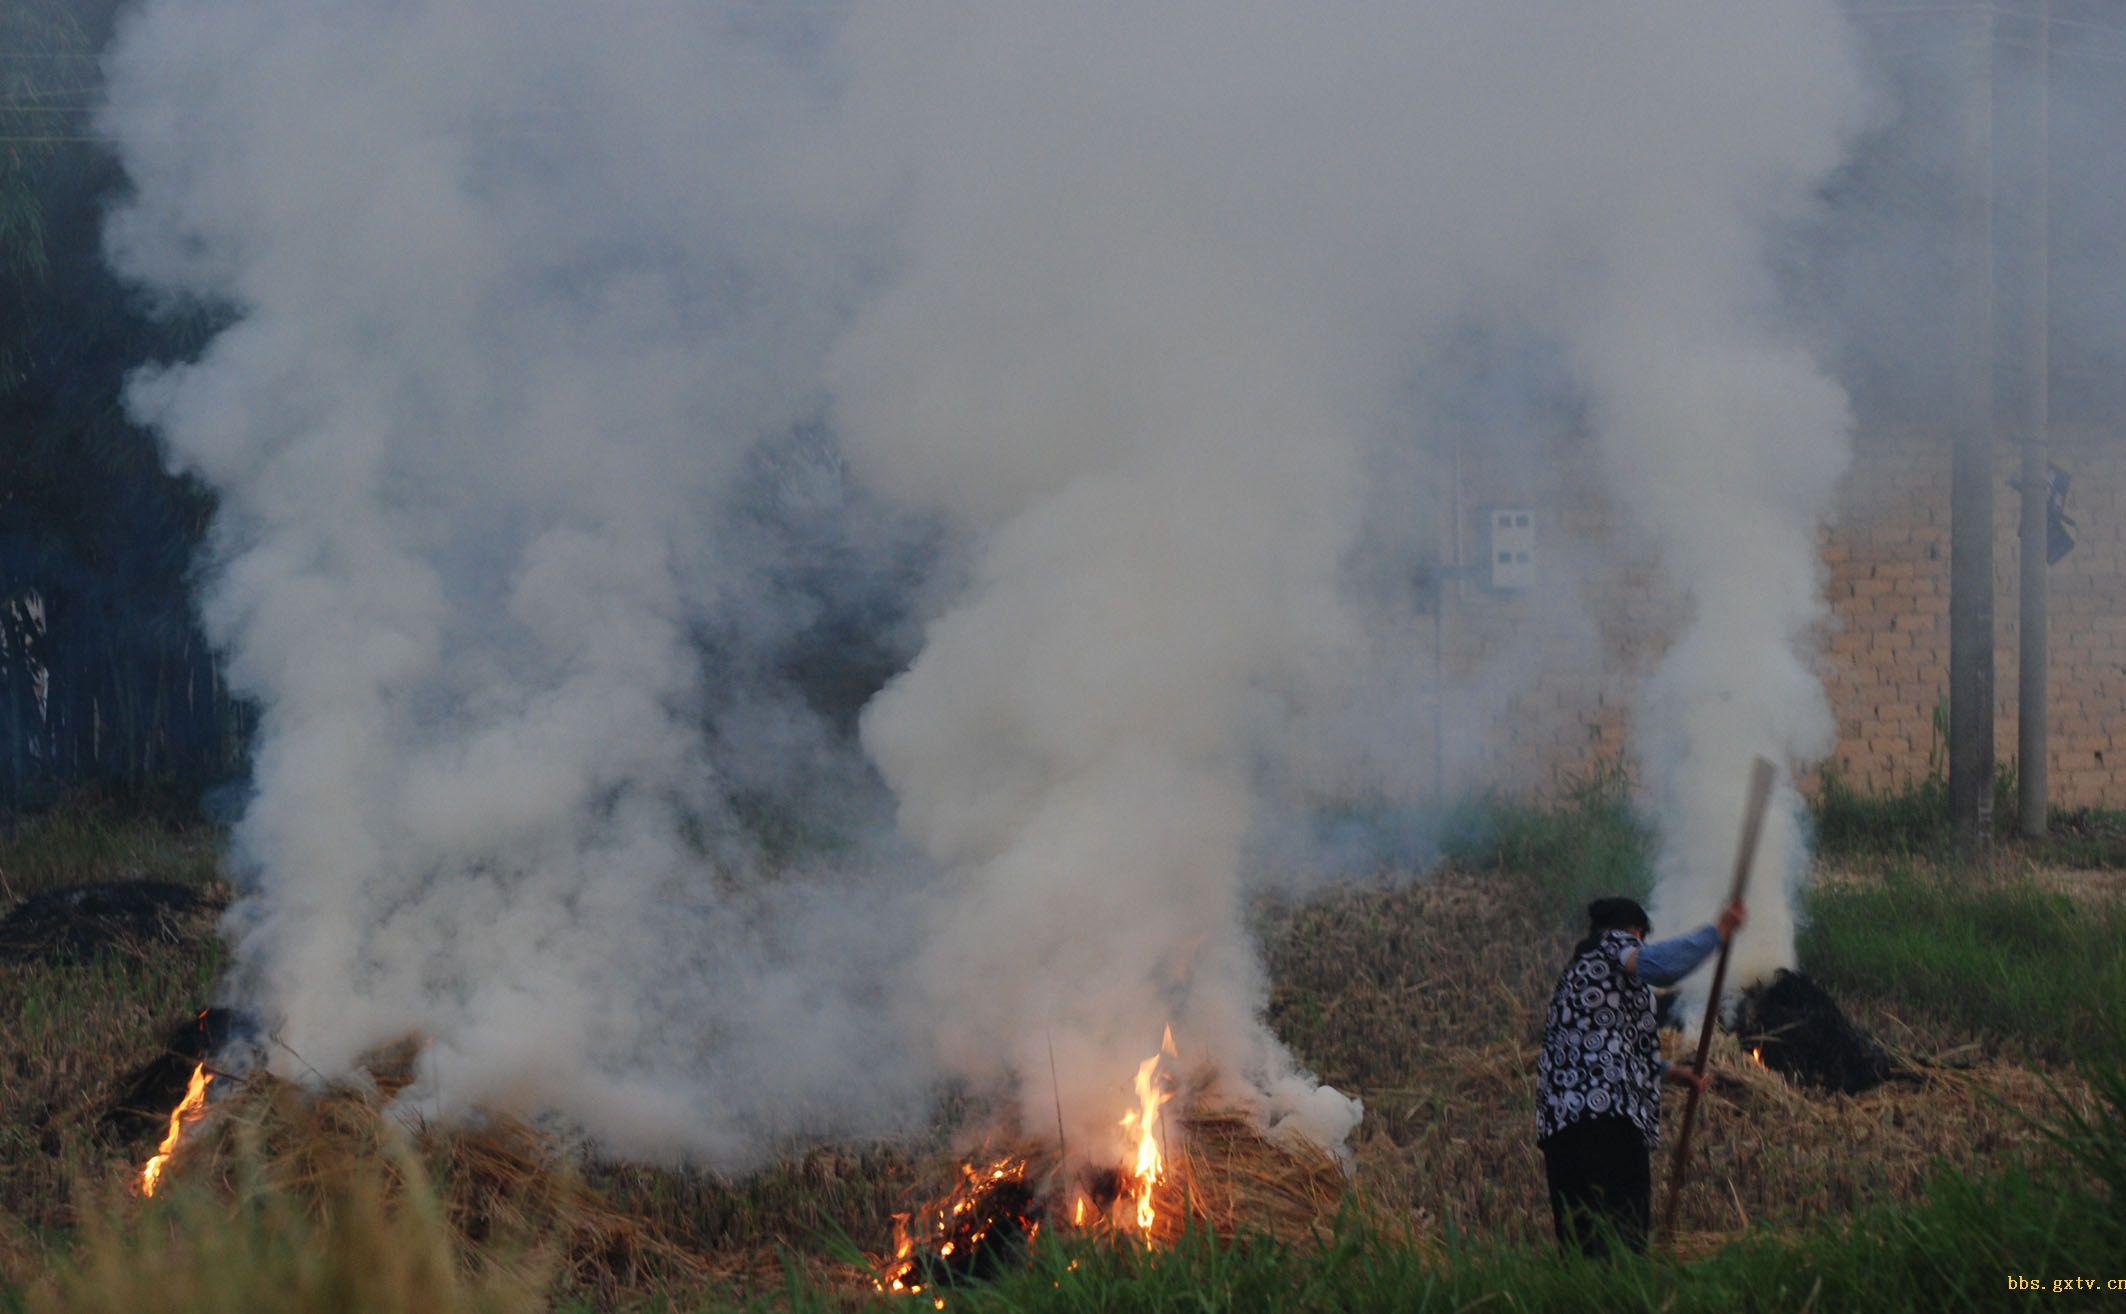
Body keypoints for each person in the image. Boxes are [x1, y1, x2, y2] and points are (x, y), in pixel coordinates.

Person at [1534, 894, 1745, 1257]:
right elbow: (1658, 966)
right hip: (1608, 1120)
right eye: (1640, 938)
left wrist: (1670, 1072)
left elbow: (1604, 1045)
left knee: (1580, 1245)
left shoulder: (1576, 972)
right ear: (1634, 931)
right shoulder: (1615, 946)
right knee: (1623, 1237)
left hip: (1561, 1125)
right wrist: (1718, 933)